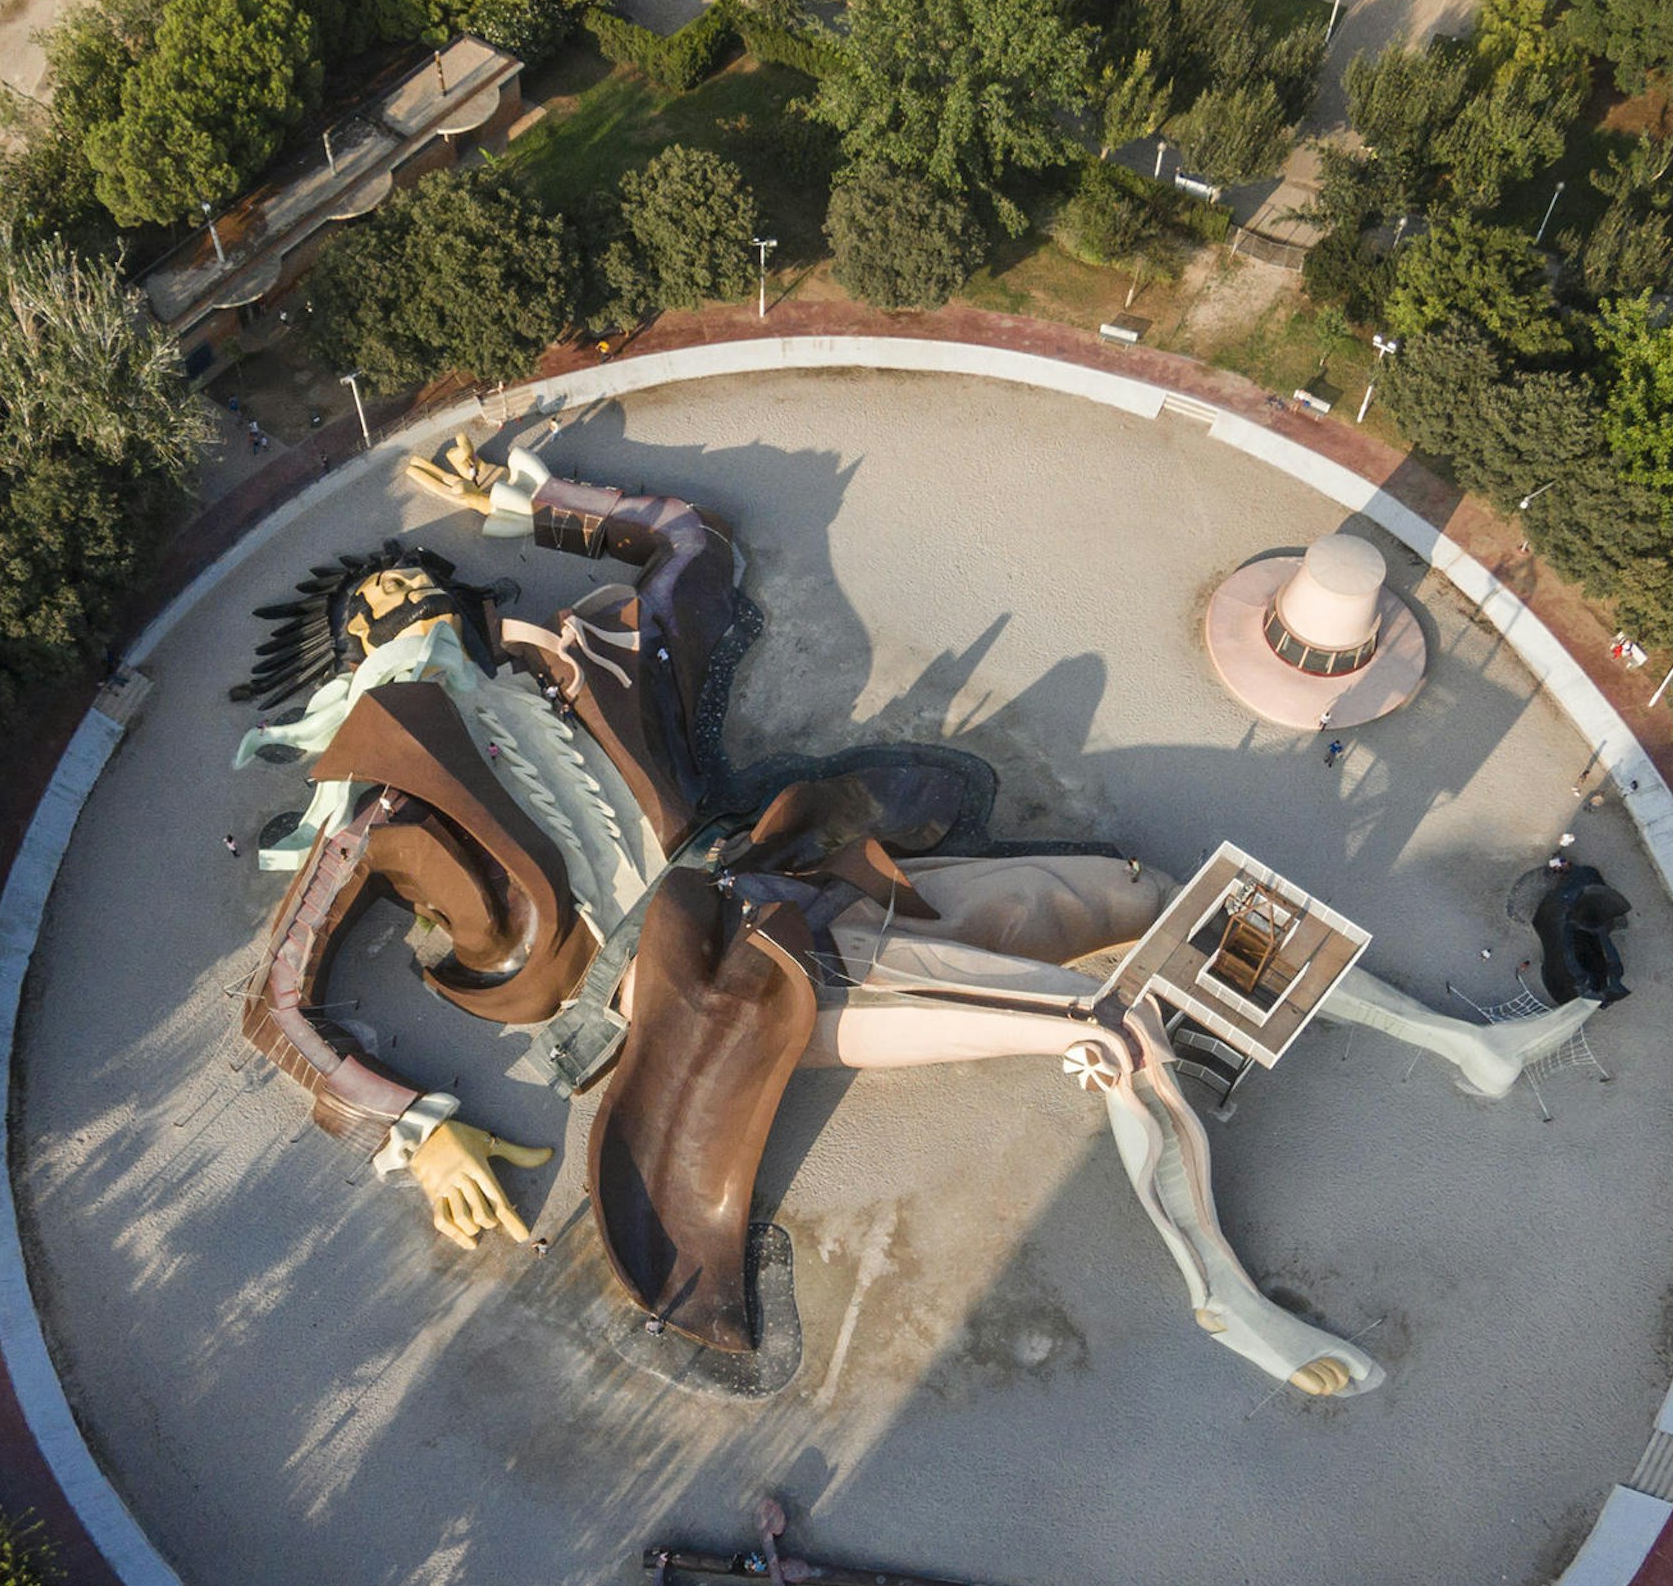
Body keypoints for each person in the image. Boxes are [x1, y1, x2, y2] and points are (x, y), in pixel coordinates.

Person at [221, 429, 1598, 1396]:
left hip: (777, 874)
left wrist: (528, 501)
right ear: (348, 674)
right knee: (1104, 1023)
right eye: (374, 617)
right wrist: (409, 1127)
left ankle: (1454, 1039)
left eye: (415, 587)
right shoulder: (375, 812)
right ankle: (1224, 1298)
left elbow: (689, 545)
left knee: (1134, 896)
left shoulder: (582, 651)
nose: (404, 610)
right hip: (689, 984)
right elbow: (275, 1004)